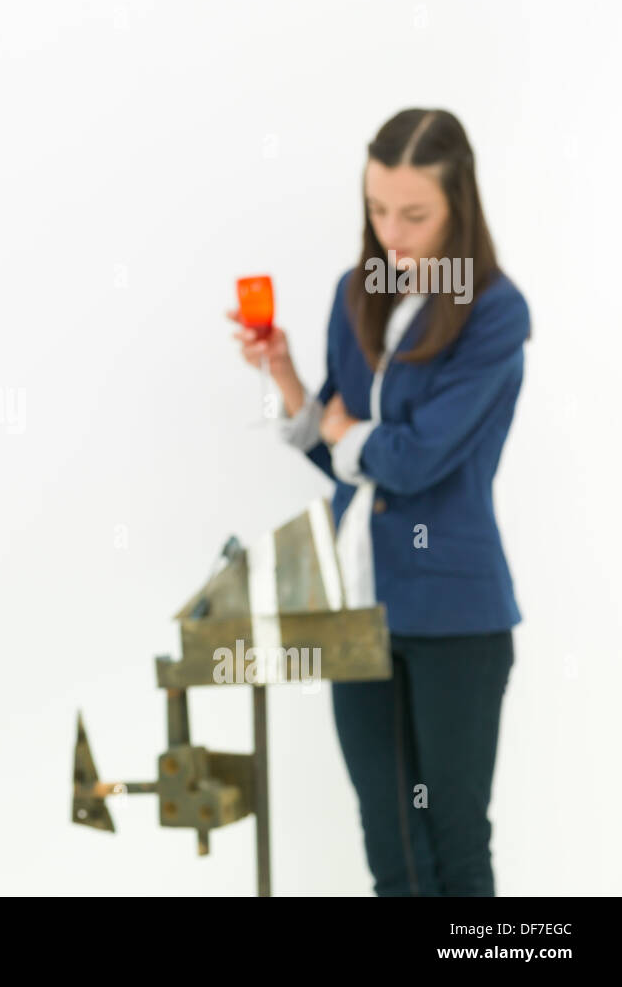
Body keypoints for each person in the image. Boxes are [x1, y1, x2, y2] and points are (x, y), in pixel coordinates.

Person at [227, 108, 531, 896]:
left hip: (455, 615)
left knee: (457, 849)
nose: (390, 232)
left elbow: (416, 459)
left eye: (415, 214)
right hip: (355, 604)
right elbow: (352, 461)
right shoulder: (354, 292)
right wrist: (292, 380)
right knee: (392, 853)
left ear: (459, 207)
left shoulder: (495, 312)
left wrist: (352, 430)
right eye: (376, 209)